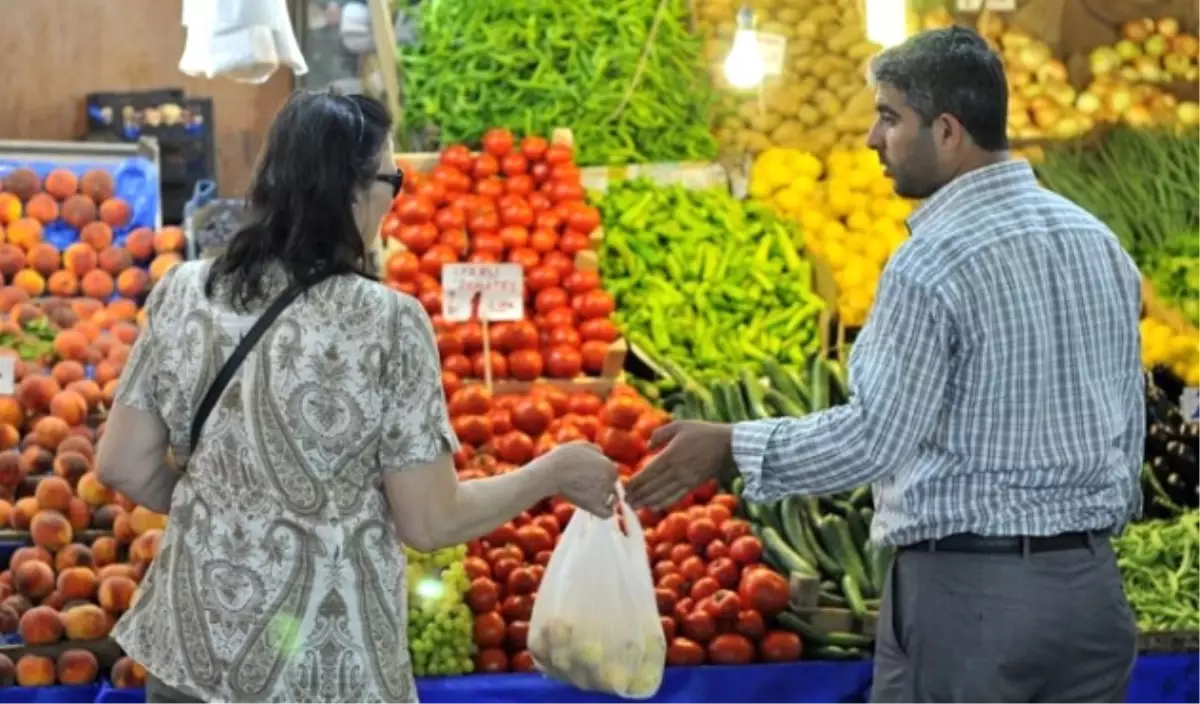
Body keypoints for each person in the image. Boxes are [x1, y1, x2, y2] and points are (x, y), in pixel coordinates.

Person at [627, 27, 1142, 704]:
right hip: (1091, 594)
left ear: (948, 131)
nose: (872, 137)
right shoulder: (1097, 241)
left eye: (890, 117)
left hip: (971, 603)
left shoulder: (933, 261)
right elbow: (1128, 424)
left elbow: (875, 436)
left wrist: (730, 445)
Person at [95, 91, 619, 704]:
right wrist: (551, 472)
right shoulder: (389, 323)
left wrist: (226, 509)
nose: (396, 196)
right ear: (352, 191)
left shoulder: (186, 290)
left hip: (191, 650)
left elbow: (121, 463)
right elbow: (430, 521)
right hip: (323, 668)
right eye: (392, 179)